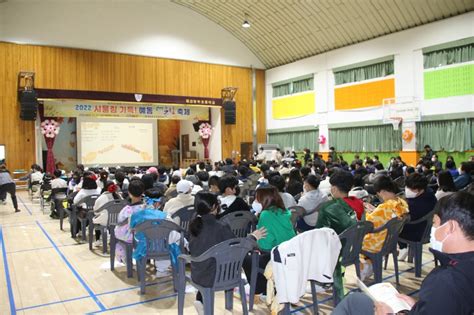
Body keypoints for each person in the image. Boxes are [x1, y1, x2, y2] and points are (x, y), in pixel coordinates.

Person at [332, 192, 474, 315]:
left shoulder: (445, 281)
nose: (433, 228)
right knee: (356, 299)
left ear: (450, 227)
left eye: (435, 223)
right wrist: (417, 307)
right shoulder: (463, 267)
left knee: (351, 302)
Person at [189, 191, 266, 314]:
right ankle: (226, 308)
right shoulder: (220, 226)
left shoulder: (194, 223)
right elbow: (238, 247)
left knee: (209, 263)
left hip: (199, 274)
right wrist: (253, 237)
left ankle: (202, 303)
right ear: (214, 207)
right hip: (223, 276)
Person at [243, 186, 296, 299]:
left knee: (246, 258)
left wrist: (252, 238)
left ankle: (260, 288)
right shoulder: (284, 211)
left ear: (264, 200)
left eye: (257, 199)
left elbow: (264, 246)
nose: (255, 202)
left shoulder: (265, 215)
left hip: (275, 257)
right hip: (290, 255)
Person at [315, 170, 358, 300]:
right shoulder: (358, 202)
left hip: (336, 252)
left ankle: (322, 281)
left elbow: (320, 233)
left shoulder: (328, 207)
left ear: (333, 188)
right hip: (354, 248)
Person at [361, 176, 409, 278]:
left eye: (378, 193)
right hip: (390, 242)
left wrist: (367, 212)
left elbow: (368, 223)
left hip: (378, 243)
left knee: (354, 241)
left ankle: (365, 267)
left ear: (382, 191)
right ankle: (370, 264)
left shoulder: (384, 207)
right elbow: (386, 217)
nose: (379, 196)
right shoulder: (401, 202)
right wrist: (375, 210)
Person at [114, 179, 145, 263]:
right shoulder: (147, 207)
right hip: (145, 235)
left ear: (129, 193)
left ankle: (124, 257)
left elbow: (119, 221)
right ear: (142, 192)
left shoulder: (127, 210)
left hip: (129, 236)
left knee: (117, 231)